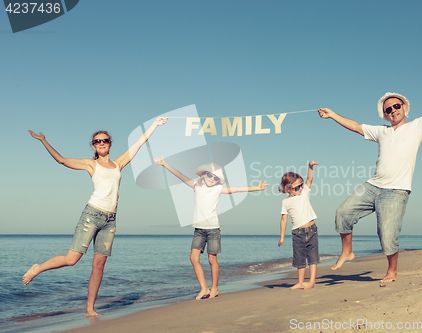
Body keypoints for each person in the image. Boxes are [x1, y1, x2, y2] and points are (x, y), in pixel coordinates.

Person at [318, 64, 422, 283]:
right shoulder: (381, 131)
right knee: (342, 213)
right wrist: (332, 114)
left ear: (404, 107)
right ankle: (347, 252)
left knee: (387, 236)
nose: (392, 111)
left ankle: (392, 271)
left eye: (396, 106)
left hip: (397, 191)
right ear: (384, 114)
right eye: (388, 109)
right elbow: (355, 126)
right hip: (373, 185)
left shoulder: (417, 126)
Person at [23, 117, 168, 316]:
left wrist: (155, 125)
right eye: (97, 141)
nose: (101, 143)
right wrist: (43, 140)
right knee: (72, 259)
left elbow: (139, 143)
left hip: (110, 221)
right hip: (92, 215)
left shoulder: (118, 164)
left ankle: (90, 309)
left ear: (110, 144)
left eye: (105, 140)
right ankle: (38, 268)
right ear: (93, 145)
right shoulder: (91, 164)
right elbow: (62, 160)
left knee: (99, 265)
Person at [154, 157, 268, 299]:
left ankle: (214, 288)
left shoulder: (218, 189)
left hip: (213, 229)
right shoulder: (196, 185)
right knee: (193, 258)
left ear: (218, 181)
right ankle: (204, 288)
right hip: (199, 230)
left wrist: (257, 188)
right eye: (210, 175)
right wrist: (164, 164)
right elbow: (180, 175)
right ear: (204, 174)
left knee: (212, 260)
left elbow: (237, 189)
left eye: (215, 178)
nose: (212, 179)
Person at [278, 161, 320, 290]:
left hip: (311, 229)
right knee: (299, 259)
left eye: (301, 185)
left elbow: (310, 178)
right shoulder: (285, 202)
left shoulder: (304, 193)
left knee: (312, 258)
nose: (300, 189)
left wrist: (310, 167)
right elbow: (283, 219)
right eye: (297, 187)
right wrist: (282, 237)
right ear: (288, 189)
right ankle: (300, 282)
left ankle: (311, 282)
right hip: (297, 233)